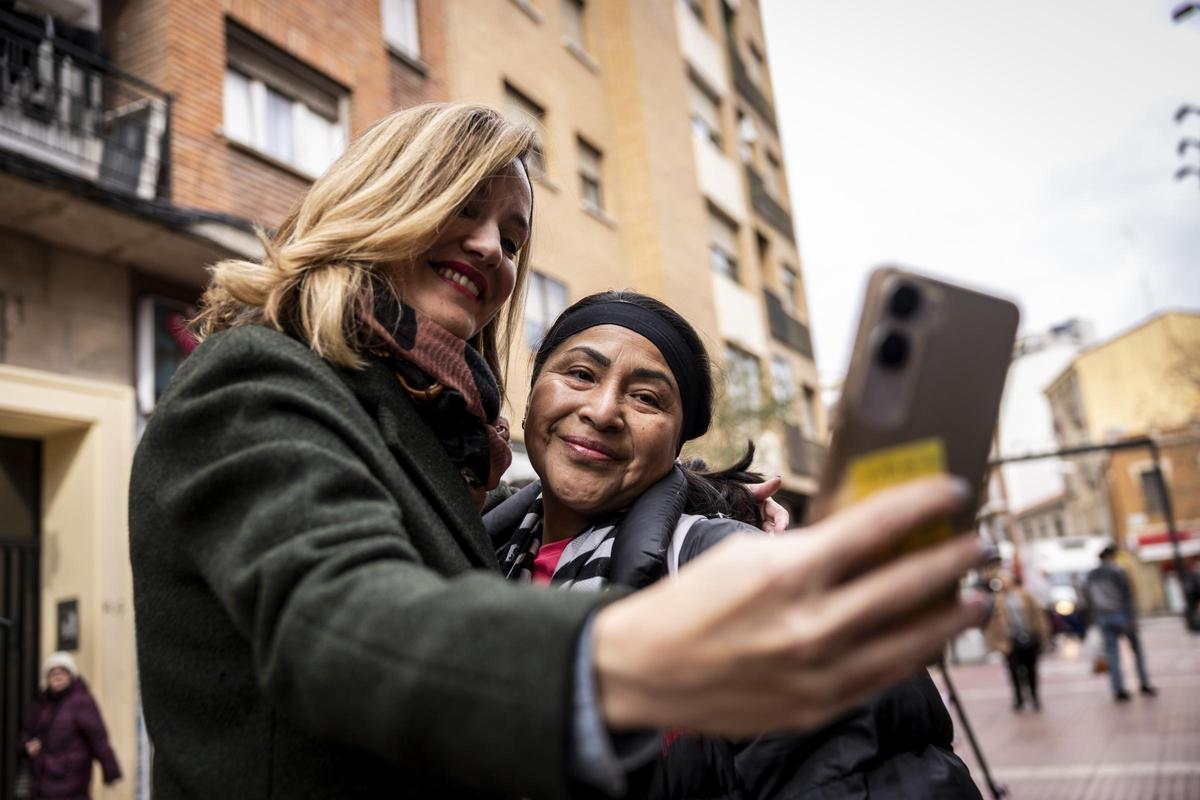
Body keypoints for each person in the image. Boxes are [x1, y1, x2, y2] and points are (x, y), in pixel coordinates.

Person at [129, 102, 988, 799]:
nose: (491, 251)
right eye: (463, 207)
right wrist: (636, 654)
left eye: (509, 235)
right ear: (384, 197)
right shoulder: (261, 378)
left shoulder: (440, 441)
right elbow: (340, 620)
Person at [486, 290, 982, 798]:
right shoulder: (474, 553)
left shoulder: (740, 571)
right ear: (532, 395)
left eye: (646, 399)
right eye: (581, 375)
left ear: (676, 444)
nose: (604, 410)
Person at [17, 652, 121, 800]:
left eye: (62, 672)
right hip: (42, 778)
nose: (57, 676)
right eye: (52, 672)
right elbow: (27, 732)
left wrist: (110, 770)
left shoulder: (81, 701)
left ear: (70, 675)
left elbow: (98, 737)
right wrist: (27, 746)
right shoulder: (42, 702)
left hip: (71, 780)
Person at [1084, 545, 1157, 702]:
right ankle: (1144, 683)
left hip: (1103, 618)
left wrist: (1094, 620)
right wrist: (1132, 618)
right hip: (1121, 615)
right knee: (1136, 650)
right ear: (1111, 557)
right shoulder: (1118, 571)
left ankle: (1118, 689)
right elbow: (1127, 596)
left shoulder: (1091, 575)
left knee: (1112, 654)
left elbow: (1089, 600)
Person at [984, 571, 1051, 712]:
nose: (1005, 583)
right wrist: (995, 642)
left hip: (1029, 638)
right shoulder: (997, 600)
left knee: (1031, 669)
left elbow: (1038, 616)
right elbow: (992, 623)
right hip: (1009, 641)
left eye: (1007, 580)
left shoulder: (1025, 595)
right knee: (1013, 670)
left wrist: (1042, 634)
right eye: (1003, 580)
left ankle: (1034, 697)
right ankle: (1018, 698)